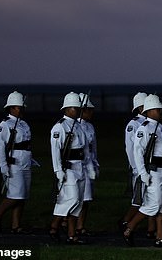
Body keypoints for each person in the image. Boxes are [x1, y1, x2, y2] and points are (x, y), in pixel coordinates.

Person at [123, 94, 162, 247]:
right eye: (157, 109)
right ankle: (129, 228)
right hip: (153, 172)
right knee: (153, 204)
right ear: (149, 110)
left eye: (160, 109)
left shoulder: (161, 127)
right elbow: (137, 152)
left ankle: (160, 237)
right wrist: (142, 173)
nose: (160, 111)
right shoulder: (144, 128)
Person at [49, 92, 95, 244]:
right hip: (67, 169)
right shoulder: (60, 127)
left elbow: (85, 151)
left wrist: (90, 168)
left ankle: (71, 234)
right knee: (70, 199)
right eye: (75, 108)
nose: (78, 111)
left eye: (79, 108)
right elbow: (55, 151)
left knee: (79, 202)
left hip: (80, 167)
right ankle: (54, 226)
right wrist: (58, 171)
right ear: (67, 109)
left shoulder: (79, 127)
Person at [0, 91, 33, 234]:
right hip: (13, 164)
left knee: (22, 196)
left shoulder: (24, 124)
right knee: (16, 195)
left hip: (25, 163)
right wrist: (3, 165)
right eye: (19, 107)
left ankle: (16, 225)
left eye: (22, 107)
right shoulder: (5, 124)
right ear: (11, 108)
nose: (22, 109)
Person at [119, 92, 156, 237]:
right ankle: (126, 222)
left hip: (150, 167)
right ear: (140, 107)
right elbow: (130, 149)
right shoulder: (134, 124)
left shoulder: (150, 122)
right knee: (139, 199)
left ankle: (151, 229)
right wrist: (136, 168)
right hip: (139, 168)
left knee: (151, 198)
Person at [75, 93, 99, 237]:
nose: (91, 112)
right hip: (76, 164)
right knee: (74, 197)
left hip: (88, 164)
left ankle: (80, 226)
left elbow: (93, 148)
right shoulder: (73, 126)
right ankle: (66, 222)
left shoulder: (90, 127)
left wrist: (95, 164)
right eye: (89, 109)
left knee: (86, 198)